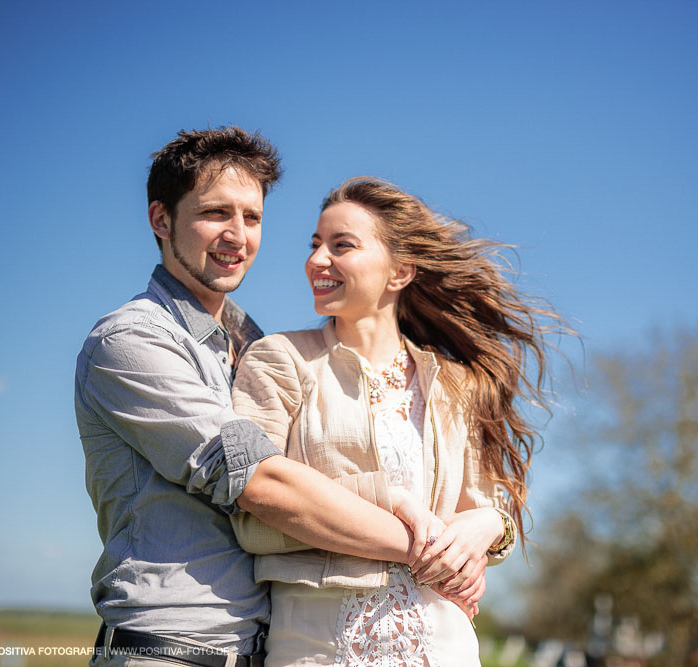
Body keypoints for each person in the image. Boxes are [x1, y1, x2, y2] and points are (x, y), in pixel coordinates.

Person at [75, 130, 464, 667]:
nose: (237, 235)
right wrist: (434, 553)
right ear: (161, 220)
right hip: (170, 647)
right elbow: (260, 482)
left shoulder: (249, 343)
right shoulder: (132, 339)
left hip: (265, 649)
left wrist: (485, 532)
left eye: (252, 218)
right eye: (215, 213)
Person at [230, 177, 565, 666]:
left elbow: (489, 503)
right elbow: (254, 509)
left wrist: (490, 525)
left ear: (400, 271)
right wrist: (400, 510)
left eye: (341, 245)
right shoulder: (279, 361)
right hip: (321, 648)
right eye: (316, 244)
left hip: (444, 646)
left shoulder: (455, 383)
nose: (317, 260)